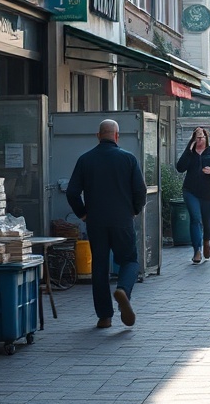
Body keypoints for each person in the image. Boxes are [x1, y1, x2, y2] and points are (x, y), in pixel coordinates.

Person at [66, 118, 147, 329]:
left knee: (100, 267)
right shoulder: (128, 159)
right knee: (129, 260)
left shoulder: (85, 160)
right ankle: (123, 290)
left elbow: (73, 192)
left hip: (96, 222)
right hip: (122, 220)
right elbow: (140, 191)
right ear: (117, 136)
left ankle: (104, 317)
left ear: (98, 135)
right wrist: (135, 210)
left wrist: (83, 214)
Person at [175, 126, 210, 264]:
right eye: (196, 137)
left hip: (209, 192)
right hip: (190, 191)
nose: (199, 139)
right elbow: (180, 168)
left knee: (207, 221)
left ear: (206, 138)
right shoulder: (189, 153)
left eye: (201, 137)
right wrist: (189, 148)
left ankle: (206, 241)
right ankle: (196, 251)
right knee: (195, 219)